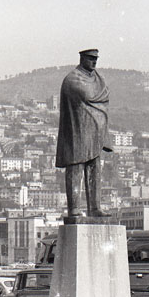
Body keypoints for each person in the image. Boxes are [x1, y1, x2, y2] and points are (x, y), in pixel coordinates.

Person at [56, 48, 112, 217]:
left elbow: (102, 95)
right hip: (77, 132)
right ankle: (74, 208)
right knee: (75, 168)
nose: (94, 62)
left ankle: (95, 208)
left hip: (95, 133)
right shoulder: (72, 79)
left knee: (95, 169)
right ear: (82, 58)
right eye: (91, 58)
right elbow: (88, 95)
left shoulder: (98, 79)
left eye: (96, 59)